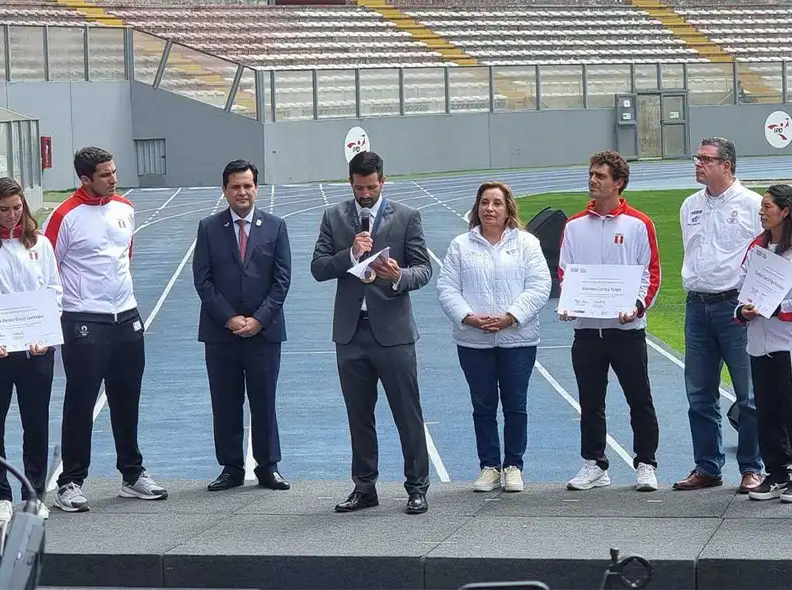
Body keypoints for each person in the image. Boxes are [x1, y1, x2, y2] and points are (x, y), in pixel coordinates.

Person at [43, 146, 167, 513]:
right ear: (84, 179)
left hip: (126, 316)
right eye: (105, 175)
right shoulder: (65, 215)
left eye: (114, 172)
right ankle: (70, 482)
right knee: (81, 402)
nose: (114, 179)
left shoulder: (125, 209)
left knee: (127, 398)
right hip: (83, 319)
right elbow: (48, 268)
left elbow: (123, 258)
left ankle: (132, 474)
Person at [311, 151, 433, 515]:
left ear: (383, 182)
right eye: (359, 187)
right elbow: (318, 268)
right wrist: (349, 254)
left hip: (393, 333)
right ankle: (364, 487)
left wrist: (398, 276)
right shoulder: (334, 216)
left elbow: (424, 270)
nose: (365, 193)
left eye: (371, 187)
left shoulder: (407, 217)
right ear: (350, 183)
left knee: (407, 412)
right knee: (359, 414)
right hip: (351, 333)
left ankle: (417, 487)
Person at [557, 150, 662, 492]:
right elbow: (565, 272)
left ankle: (646, 462)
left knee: (639, 398)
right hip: (587, 330)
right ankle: (595, 463)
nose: (593, 180)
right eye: (591, 174)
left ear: (618, 183)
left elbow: (652, 274)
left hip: (626, 330)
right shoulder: (573, 226)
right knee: (589, 400)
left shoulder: (638, 223)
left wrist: (636, 306)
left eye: (600, 176)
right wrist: (569, 301)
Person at [437, 181, 551, 493]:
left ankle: (514, 465)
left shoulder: (527, 244)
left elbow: (540, 285)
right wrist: (468, 317)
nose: (490, 208)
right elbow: (446, 288)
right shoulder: (461, 245)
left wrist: (511, 317)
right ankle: (489, 466)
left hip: (518, 340)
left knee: (515, 404)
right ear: (477, 208)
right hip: (474, 342)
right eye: (485, 202)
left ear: (507, 209)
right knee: (483, 405)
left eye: (497, 203)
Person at [192, 159, 292, 492]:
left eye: (247, 185)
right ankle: (231, 467)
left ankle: (268, 467)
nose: (242, 192)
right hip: (221, 334)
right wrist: (229, 318)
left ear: (256, 188)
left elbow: (282, 280)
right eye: (235, 186)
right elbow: (203, 281)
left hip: (265, 333)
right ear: (225, 190)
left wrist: (259, 319)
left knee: (264, 401)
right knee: (225, 401)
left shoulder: (276, 227)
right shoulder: (208, 228)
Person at [674, 137, 764, 493]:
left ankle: (751, 468)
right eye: (697, 157)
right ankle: (707, 466)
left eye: (705, 159)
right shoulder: (689, 205)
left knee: (749, 395)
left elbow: (765, 257)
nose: (698, 163)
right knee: (699, 393)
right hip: (697, 305)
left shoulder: (752, 205)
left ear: (726, 166)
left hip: (735, 307)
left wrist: (753, 303)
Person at [732, 185, 792, 504]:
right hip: (759, 343)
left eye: (767, 206)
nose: (762, 211)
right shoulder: (756, 247)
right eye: (761, 207)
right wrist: (743, 311)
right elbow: (741, 289)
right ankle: (778, 471)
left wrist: (775, 308)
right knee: (765, 412)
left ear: (785, 210)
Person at [0, 177, 62, 522]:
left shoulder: (40, 245)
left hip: (37, 350)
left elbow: (53, 290)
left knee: (36, 422)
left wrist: (44, 332)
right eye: (4, 210)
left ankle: (33, 494)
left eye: (17, 208)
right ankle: (0, 497)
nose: (12, 216)